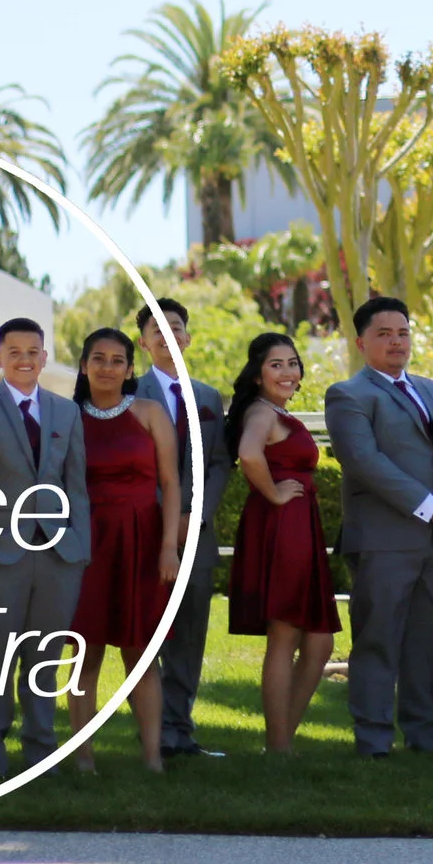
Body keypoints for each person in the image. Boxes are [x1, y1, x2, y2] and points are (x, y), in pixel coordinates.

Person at [325, 295, 433, 758]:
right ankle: (372, 737)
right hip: (384, 541)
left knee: (430, 641)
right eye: (384, 334)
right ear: (361, 342)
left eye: (402, 332)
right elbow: (364, 461)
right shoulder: (348, 395)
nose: (395, 342)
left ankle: (425, 733)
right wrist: (429, 505)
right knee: (377, 639)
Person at [0, 317, 91, 779]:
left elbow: (76, 486)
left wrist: (80, 548)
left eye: (33, 351)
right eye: (14, 352)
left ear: (44, 357)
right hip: (0, 553)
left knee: (45, 658)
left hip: (59, 554)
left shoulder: (66, 411)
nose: (25, 359)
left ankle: (39, 758)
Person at [63, 327, 179, 773]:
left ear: (131, 369)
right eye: (98, 358)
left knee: (141, 654)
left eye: (116, 360)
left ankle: (153, 759)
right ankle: (83, 759)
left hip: (142, 541)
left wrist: (168, 546)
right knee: (84, 653)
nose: (107, 367)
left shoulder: (149, 412)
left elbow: (170, 482)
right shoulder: (68, 416)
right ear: (84, 365)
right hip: (87, 545)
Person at [227, 330, 340, 754]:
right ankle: (279, 747)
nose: (288, 371)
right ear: (257, 375)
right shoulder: (262, 413)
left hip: (298, 525)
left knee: (319, 640)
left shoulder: (277, 411)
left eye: (292, 362)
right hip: (282, 525)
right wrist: (273, 493)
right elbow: (250, 454)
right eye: (276, 365)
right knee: (286, 633)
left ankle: (280, 742)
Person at [131, 296, 230, 760]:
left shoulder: (209, 398)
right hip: (145, 533)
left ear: (187, 338)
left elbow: (218, 463)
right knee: (147, 634)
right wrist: (168, 517)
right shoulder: (128, 396)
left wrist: (197, 513)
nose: (168, 337)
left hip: (197, 536)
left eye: (176, 328)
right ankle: (151, 731)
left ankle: (180, 731)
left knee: (190, 635)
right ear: (144, 342)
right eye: (158, 330)